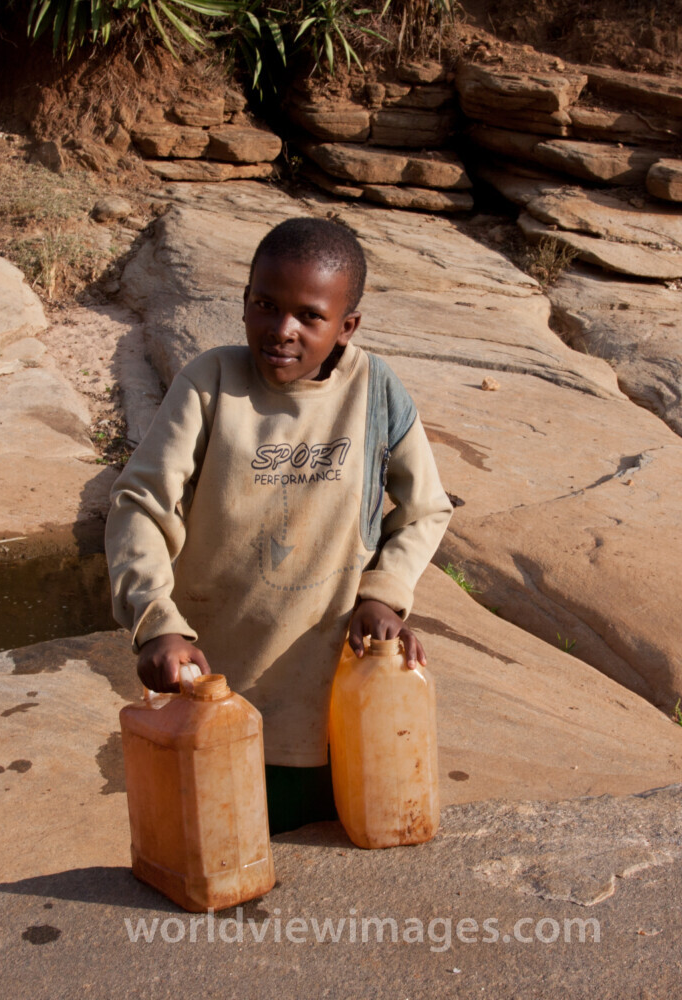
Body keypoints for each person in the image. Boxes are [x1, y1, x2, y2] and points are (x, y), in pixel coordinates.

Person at [104, 216, 453, 833]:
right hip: (214, 686)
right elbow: (140, 505)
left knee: (334, 852)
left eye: (310, 316)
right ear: (244, 302)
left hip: (335, 696)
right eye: (265, 305)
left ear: (347, 326)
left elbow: (425, 509)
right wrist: (157, 623)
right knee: (224, 850)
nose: (282, 330)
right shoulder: (210, 385)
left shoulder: (376, 392)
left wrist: (385, 596)